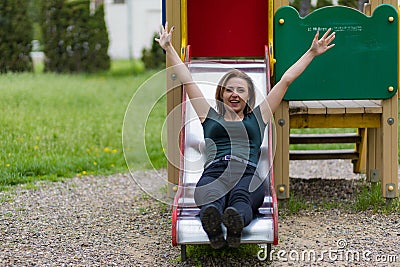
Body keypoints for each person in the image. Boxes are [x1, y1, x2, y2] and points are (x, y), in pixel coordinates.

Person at [156, 22, 335, 249]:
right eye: (229, 89)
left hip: (247, 173)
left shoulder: (257, 118)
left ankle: (235, 225)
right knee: (211, 196)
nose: (234, 94)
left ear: (248, 96)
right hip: (215, 171)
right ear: (221, 93)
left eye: (241, 90)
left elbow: (286, 81)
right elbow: (188, 80)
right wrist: (169, 48)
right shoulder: (208, 116)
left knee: (243, 198)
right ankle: (212, 223)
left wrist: (311, 52)